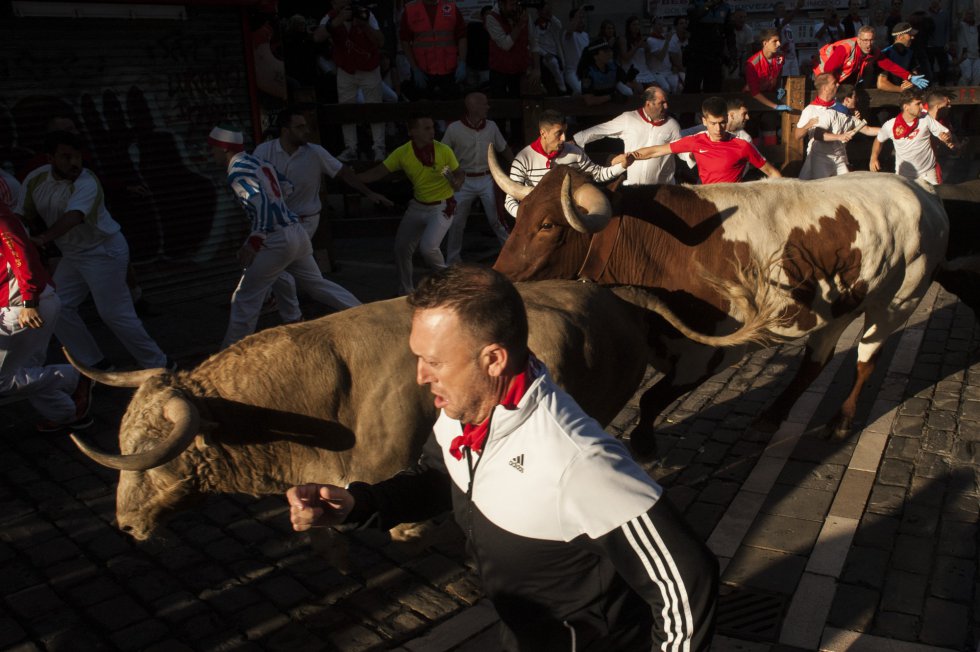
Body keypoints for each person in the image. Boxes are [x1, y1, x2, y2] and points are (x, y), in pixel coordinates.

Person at [285, 264, 719, 652]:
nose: (420, 375)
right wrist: (358, 505)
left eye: (433, 361)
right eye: (417, 357)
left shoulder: (579, 461)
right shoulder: (459, 411)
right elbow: (441, 476)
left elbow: (687, 585)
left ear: (493, 359)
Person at [15, 130, 171, 371]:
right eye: (66, 157)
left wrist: (43, 238)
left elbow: (74, 217)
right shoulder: (36, 179)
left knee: (114, 313)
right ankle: (96, 364)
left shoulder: (87, 181)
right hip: (73, 255)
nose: (74, 163)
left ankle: (160, 365)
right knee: (58, 307)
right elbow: (21, 213)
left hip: (103, 251)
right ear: (50, 158)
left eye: (77, 157)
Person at [208, 125, 360, 349]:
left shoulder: (238, 172)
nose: (211, 154)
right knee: (316, 284)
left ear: (223, 149)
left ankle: (229, 353)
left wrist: (254, 241)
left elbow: (260, 205)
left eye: (213, 149)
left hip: (276, 238)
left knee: (245, 299)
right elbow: (287, 187)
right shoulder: (259, 163)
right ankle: (362, 312)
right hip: (295, 232)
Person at [254, 107, 392, 320]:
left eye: (305, 126)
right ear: (285, 130)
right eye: (299, 127)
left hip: (304, 222)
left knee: (274, 266)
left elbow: (343, 172)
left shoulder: (315, 153)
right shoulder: (264, 151)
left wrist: (369, 193)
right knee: (309, 280)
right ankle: (359, 312)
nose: (306, 131)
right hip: (277, 222)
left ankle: (285, 310)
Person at [0, 203, 93, 432]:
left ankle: (75, 377)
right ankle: (67, 415)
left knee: (3, 380)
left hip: (24, 307)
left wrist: (29, 301)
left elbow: (22, 253)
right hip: (25, 303)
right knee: (27, 368)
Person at [357, 116, 464, 295]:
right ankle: (406, 290)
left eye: (432, 128)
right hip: (418, 206)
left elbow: (459, 173)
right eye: (427, 129)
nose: (432, 132)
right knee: (401, 248)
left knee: (428, 248)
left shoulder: (443, 150)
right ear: (412, 132)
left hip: (442, 206)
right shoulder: (403, 153)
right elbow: (378, 172)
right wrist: (352, 178)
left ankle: (450, 282)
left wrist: (457, 182)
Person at [629, 96, 782, 185]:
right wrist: (629, 156)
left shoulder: (743, 145)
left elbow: (772, 172)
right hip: (707, 201)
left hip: (735, 201)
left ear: (728, 118)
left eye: (722, 123)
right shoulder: (695, 141)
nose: (718, 129)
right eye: (713, 124)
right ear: (704, 121)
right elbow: (657, 150)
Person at [505, 110, 627, 218]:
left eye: (565, 132)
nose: (564, 138)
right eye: (559, 133)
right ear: (543, 133)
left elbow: (597, 175)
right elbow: (510, 200)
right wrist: (527, 218)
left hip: (570, 218)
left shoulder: (575, 152)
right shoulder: (523, 158)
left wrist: (622, 166)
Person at [440, 93, 512, 264]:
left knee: (498, 219)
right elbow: (442, 153)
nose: (487, 107)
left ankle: (510, 255)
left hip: (487, 178)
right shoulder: (454, 129)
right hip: (463, 181)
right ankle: (452, 260)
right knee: (457, 222)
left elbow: (504, 148)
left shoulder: (492, 126)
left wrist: (516, 166)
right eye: (484, 104)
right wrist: (449, 177)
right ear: (472, 107)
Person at [314, 0, 386, 162]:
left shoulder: (365, 13)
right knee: (346, 108)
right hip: (346, 68)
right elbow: (318, 37)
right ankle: (351, 148)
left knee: (375, 107)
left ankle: (379, 147)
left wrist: (364, 25)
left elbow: (380, 41)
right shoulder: (331, 17)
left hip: (369, 67)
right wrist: (337, 21)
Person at [573, 85, 681, 186]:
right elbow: (600, 130)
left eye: (666, 102)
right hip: (633, 188)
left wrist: (691, 154)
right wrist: (575, 141)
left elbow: (683, 151)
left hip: (663, 189)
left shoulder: (672, 125)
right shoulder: (629, 119)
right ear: (648, 104)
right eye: (661, 103)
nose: (666, 106)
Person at [795, 73, 879, 180]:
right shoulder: (810, 109)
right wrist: (808, 125)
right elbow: (797, 136)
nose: (838, 85)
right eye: (834, 83)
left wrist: (852, 115)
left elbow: (862, 128)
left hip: (839, 156)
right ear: (825, 88)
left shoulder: (840, 106)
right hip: (818, 157)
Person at [870, 88, 953, 183]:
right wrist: (873, 158)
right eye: (918, 104)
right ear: (906, 107)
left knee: (933, 197)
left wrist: (946, 137)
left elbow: (945, 132)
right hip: (904, 176)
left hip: (927, 172)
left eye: (921, 103)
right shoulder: (890, 125)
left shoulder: (925, 118)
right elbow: (879, 140)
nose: (922, 107)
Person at [814, 25, 929, 89]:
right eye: (865, 40)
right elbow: (828, 70)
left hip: (843, 80)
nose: (868, 44)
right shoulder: (845, 48)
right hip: (824, 78)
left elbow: (889, 65)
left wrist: (909, 76)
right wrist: (833, 85)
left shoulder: (873, 51)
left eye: (871, 40)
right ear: (858, 40)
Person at [399, 0, 468, 100]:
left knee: (451, 108)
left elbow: (462, 37)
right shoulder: (410, 10)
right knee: (424, 109)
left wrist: (462, 62)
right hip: (423, 70)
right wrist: (415, 68)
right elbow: (404, 41)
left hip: (449, 71)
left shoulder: (451, 8)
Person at [485, 0, 537, 100]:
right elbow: (506, 45)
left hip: (519, 71)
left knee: (519, 107)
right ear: (501, 4)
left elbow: (534, 41)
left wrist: (536, 68)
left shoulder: (523, 15)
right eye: (512, 5)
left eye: (517, 4)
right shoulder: (491, 17)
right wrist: (519, 25)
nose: (515, 8)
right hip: (500, 72)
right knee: (501, 108)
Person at [684, 0, 734, 93]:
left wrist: (732, 53)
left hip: (715, 54)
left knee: (713, 88)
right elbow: (692, 19)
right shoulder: (695, 3)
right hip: (697, 53)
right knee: (691, 87)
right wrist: (707, 6)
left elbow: (729, 33)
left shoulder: (725, 7)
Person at [744, 29, 791, 113]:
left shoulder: (780, 57)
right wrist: (775, 106)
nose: (779, 44)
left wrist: (779, 87)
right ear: (765, 43)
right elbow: (755, 93)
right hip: (752, 100)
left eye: (779, 41)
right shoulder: (752, 64)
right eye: (775, 41)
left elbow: (779, 73)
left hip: (770, 95)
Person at [580, 41, 633, 106]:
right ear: (595, 56)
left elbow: (628, 84)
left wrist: (630, 78)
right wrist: (610, 97)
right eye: (605, 52)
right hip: (595, 111)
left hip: (612, 107)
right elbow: (589, 101)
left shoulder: (614, 67)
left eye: (610, 51)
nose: (610, 53)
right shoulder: (588, 73)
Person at [534, 2, 567, 95]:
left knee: (557, 66)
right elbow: (534, 43)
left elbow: (559, 26)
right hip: (545, 55)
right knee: (552, 64)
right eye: (544, 10)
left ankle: (561, 88)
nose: (546, 12)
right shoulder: (535, 26)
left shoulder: (552, 23)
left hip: (555, 53)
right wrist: (544, 53)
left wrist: (551, 16)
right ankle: (560, 86)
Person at [877, 22, 919, 91]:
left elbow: (915, 74)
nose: (913, 37)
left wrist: (912, 82)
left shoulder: (910, 52)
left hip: (907, 94)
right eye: (909, 35)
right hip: (889, 95)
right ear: (900, 37)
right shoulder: (885, 54)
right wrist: (901, 89)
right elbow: (881, 84)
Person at [560, 7, 590, 95]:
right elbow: (571, 29)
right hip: (572, 72)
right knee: (580, 90)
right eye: (579, 18)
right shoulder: (567, 34)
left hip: (585, 72)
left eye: (583, 18)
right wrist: (578, 14)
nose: (581, 20)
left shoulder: (586, 35)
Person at [773, 0, 805, 77]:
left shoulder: (788, 24)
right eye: (780, 8)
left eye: (784, 8)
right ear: (776, 11)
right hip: (782, 55)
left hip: (792, 56)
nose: (783, 9)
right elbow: (787, 20)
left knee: (796, 78)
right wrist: (797, 7)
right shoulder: (776, 22)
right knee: (784, 79)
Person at [925, 0, 952, 85]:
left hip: (942, 45)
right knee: (929, 67)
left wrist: (947, 42)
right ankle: (929, 87)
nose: (934, 1)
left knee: (944, 67)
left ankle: (942, 86)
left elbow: (947, 29)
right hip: (930, 45)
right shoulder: (926, 14)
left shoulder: (945, 14)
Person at [956, 8, 979, 85]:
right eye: (968, 14)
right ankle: (960, 90)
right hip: (965, 56)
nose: (970, 16)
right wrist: (959, 16)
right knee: (967, 76)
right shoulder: (961, 25)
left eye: (972, 14)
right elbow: (956, 24)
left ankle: (973, 96)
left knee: (977, 77)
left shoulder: (977, 27)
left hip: (977, 55)